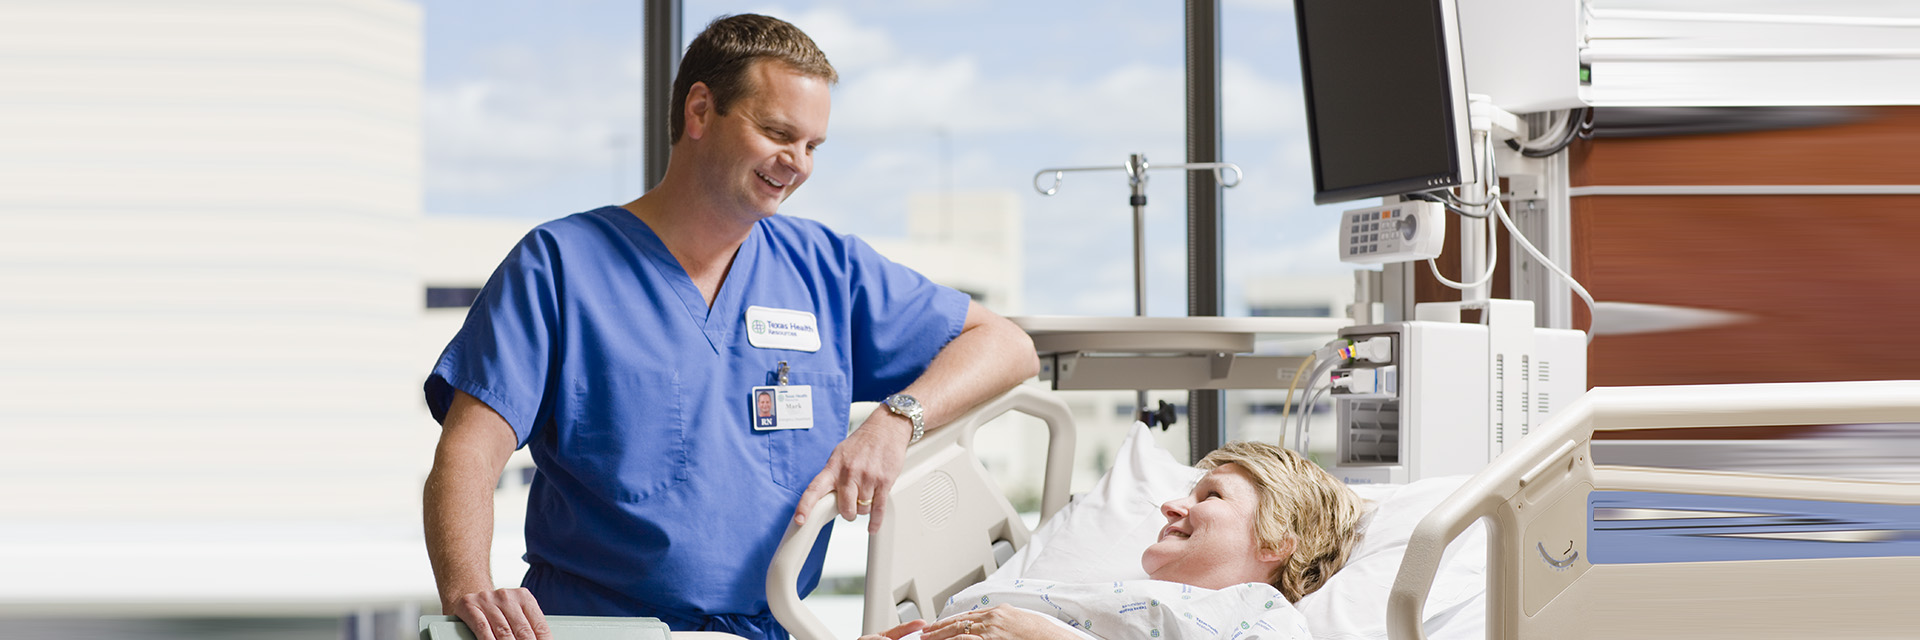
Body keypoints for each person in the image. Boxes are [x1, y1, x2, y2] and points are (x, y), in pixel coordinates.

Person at [421, 13, 1038, 640]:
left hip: (770, 627)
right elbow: (469, 452)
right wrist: (470, 591)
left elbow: (1005, 344)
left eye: (812, 146)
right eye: (777, 132)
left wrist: (894, 420)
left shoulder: (826, 268)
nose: (796, 163)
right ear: (699, 111)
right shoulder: (560, 266)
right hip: (598, 628)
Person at [861, 442, 1365, 640]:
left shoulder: (1260, 615)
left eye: (1210, 496)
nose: (1171, 506)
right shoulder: (1119, 594)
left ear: (1276, 542)